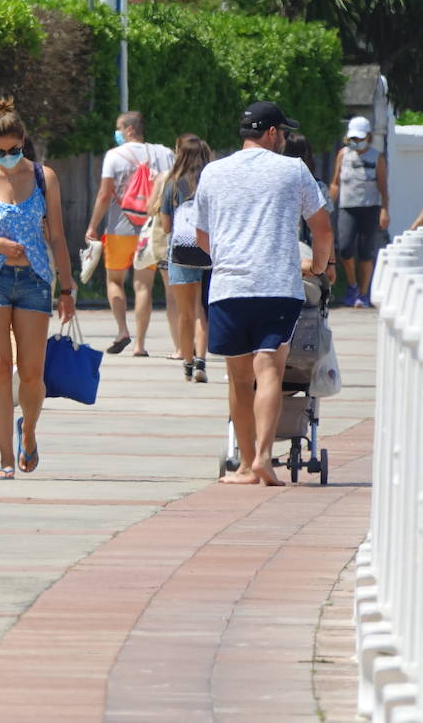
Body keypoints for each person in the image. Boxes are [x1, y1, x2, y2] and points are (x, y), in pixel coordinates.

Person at [195, 101, 332, 487]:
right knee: (269, 371)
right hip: (277, 287)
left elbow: (202, 238)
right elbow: (322, 230)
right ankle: (262, 459)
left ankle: (242, 467)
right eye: (284, 133)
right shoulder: (293, 170)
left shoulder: (213, 172)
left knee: (239, 380)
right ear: (272, 133)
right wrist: (319, 267)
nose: (286, 139)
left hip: (228, 287)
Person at [0, 99, 75, 479]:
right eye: (0, 151)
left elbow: (56, 237)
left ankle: (30, 432)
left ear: (23, 140)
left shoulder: (43, 177)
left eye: (14, 149)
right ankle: (5, 457)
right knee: (1, 368)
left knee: (33, 374)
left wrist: (67, 289)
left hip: (35, 279)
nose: (7, 156)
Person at [84, 111, 174, 356]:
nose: (117, 133)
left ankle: (123, 330)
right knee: (143, 286)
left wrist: (93, 226)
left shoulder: (114, 156)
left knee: (114, 281)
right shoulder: (164, 153)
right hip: (151, 229)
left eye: (118, 128)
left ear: (129, 129)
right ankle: (140, 345)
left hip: (118, 229)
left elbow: (104, 195)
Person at [158, 135, 212, 384]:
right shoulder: (210, 184)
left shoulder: (173, 185)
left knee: (184, 312)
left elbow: (167, 227)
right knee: (201, 309)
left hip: (180, 252)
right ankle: (201, 360)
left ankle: (188, 363)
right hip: (206, 251)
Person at [328, 116, 388, 308]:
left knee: (365, 251)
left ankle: (363, 293)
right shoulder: (343, 154)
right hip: (347, 207)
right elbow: (335, 181)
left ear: (368, 137)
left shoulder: (376, 157)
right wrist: (329, 203)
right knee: (345, 248)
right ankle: (352, 285)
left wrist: (384, 210)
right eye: (353, 138)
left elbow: (383, 187)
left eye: (359, 138)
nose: (356, 142)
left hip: (370, 207)